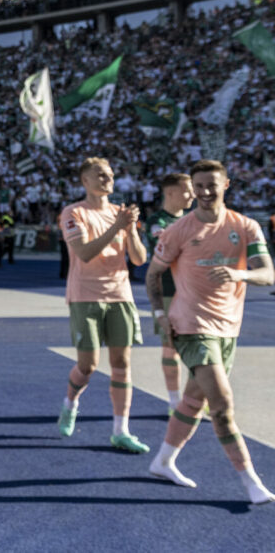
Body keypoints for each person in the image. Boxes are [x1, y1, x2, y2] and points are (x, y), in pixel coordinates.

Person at [146, 160, 275, 504]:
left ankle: (163, 461)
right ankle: (251, 483)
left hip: (228, 327)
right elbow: (152, 274)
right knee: (221, 404)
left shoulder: (245, 226)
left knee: (193, 400)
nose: (204, 192)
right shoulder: (178, 230)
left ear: (226, 185)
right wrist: (160, 313)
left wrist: (239, 275)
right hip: (190, 326)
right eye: (198, 185)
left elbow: (268, 273)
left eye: (211, 185)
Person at [57, 157, 149, 453]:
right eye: (99, 174)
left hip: (120, 294)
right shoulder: (73, 213)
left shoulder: (120, 214)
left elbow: (138, 259)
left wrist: (130, 229)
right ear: (85, 181)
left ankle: (121, 430)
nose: (106, 179)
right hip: (85, 295)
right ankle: (71, 402)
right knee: (88, 366)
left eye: (109, 174)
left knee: (122, 364)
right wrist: (116, 227)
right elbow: (84, 253)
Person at [143, 173, 194, 411]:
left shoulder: (195, 218)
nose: (193, 195)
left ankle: (195, 397)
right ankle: (174, 401)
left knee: (199, 347)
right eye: (187, 190)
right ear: (170, 192)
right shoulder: (158, 220)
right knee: (170, 347)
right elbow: (166, 250)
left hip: (195, 293)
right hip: (169, 292)